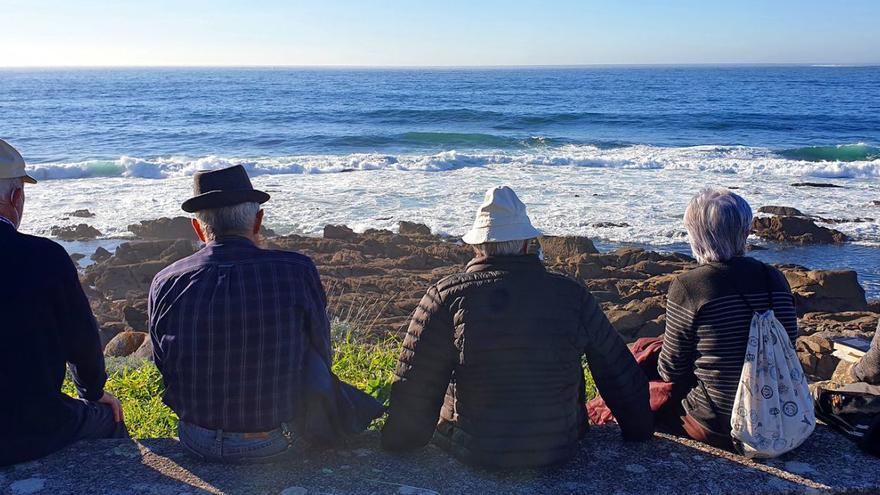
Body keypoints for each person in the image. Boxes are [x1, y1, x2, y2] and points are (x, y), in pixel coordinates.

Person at [380, 186, 652, 468]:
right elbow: (617, 371)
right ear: (526, 244)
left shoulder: (447, 295)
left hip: (475, 449)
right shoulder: (572, 295)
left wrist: (398, 441)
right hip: (558, 445)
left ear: (477, 246)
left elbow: (416, 383)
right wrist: (640, 430)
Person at [148, 165, 381, 464]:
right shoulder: (296, 270)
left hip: (196, 439)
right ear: (258, 221)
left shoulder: (166, 281)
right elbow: (322, 352)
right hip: (273, 439)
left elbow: (163, 363)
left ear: (197, 228)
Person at [0, 138, 127, 466]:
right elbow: (82, 343)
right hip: (31, 427)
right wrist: (94, 393)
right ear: (16, 197)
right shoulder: (44, 257)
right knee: (109, 420)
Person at [657, 187, 799, 450]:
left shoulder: (689, 286)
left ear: (695, 235)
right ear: (745, 233)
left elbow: (670, 370)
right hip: (778, 414)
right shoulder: (774, 279)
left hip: (719, 424)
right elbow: (788, 343)